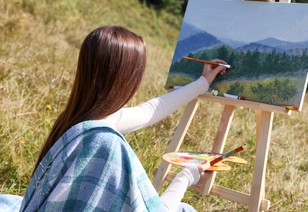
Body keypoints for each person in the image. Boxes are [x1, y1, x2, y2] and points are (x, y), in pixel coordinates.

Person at [7, 26, 227, 212]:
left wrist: (202, 83)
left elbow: (149, 110)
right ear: (127, 79)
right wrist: (185, 177)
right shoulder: (104, 143)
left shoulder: (78, 119)